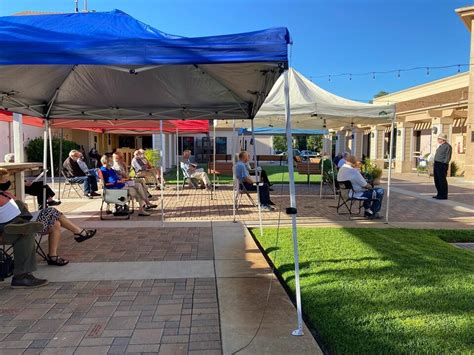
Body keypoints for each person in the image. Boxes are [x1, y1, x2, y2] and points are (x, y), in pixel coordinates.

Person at [0, 168, 96, 267]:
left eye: (8, 179)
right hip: (17, 225)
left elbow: (24, 208)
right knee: (52, 211)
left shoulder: (7, 193)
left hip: (25, 219)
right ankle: (79, 232)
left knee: (55, 224)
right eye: (5, 180)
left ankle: (53, 256)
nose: (8, 182)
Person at [433, 134, 452, 200]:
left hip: (442, 165)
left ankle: (443, 195)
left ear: (443, 140)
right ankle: (439, 194)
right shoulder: (440, 146)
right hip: (436, 164)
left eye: (439, 139)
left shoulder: (448, 146)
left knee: (442, 180)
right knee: (437, 180)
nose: (438, 140)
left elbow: (448, 157)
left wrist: (444, 164)